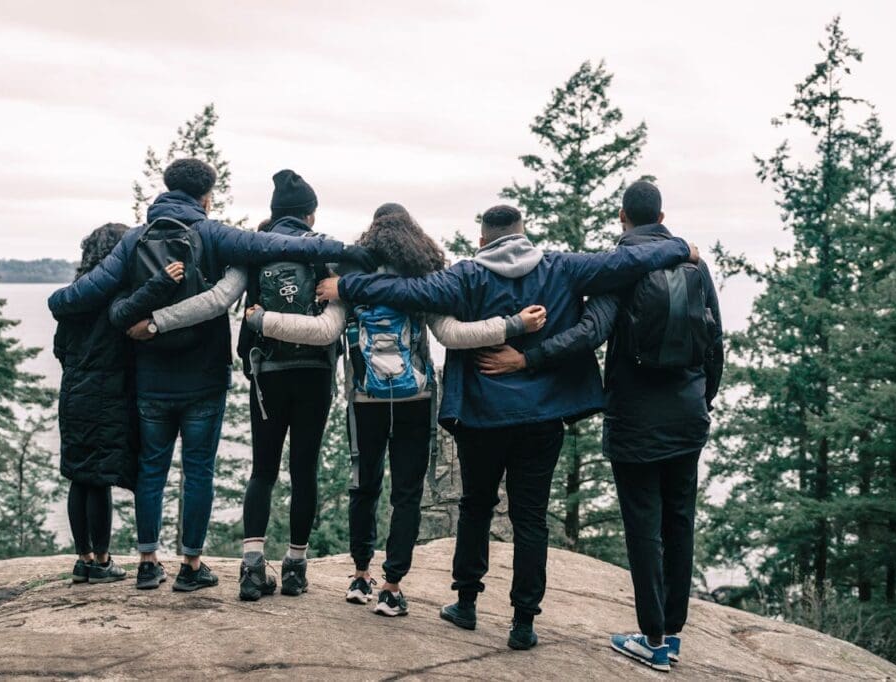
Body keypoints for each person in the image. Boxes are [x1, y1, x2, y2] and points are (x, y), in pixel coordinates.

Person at [317, 204, 697, 650]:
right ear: (524, 234)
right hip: (543, 417)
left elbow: (409, 291)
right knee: (531, 519)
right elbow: (624, 262)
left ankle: (467, 604)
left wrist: (347, 284)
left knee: (476, 507)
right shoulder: (562, 267)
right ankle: (523, 622)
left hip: (482, 416)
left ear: (482, 240)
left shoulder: (467, 276)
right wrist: (678, 248)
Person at [47, 159, 375, 593]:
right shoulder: (212, 234)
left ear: (168, 189)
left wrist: (78, 303)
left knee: (152, 470)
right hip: (204, 378)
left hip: (151, 377)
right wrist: (344, 251)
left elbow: (72, 299)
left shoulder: (133, 240)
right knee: (199, 471)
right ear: (207, 197)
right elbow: (268, 248)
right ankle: (190, 566)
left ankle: (147, 564)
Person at [244, 203, 546, 616]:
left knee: (363, 487)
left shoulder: (350, 281)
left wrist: (263, 321)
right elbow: (454, 335)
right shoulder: (424, 281)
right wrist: (513, 326)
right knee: (406, 494)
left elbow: (323, 331)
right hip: (416, 399)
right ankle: (392, 585)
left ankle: (360, 575)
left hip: (365, 399)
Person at [477, 182, 724, 672]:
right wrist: (703, 398)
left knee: (644, 528)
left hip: (636, 420)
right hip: (688, 417)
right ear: (662, 215)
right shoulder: (695, 265)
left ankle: (651, 638)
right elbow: (714, 339)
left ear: (621, 217)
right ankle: (672, 635)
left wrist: (526, 359)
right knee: (679, 523)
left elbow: (588, 334)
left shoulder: (623, 270)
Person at [52, 222, 185, 585]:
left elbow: (60, 348)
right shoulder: (120, 295)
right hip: (108, 394)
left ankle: (83, 559)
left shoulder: (76, 297)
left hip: (74, 392)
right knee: (99, 477)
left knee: (79, 476)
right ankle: (102, 560)